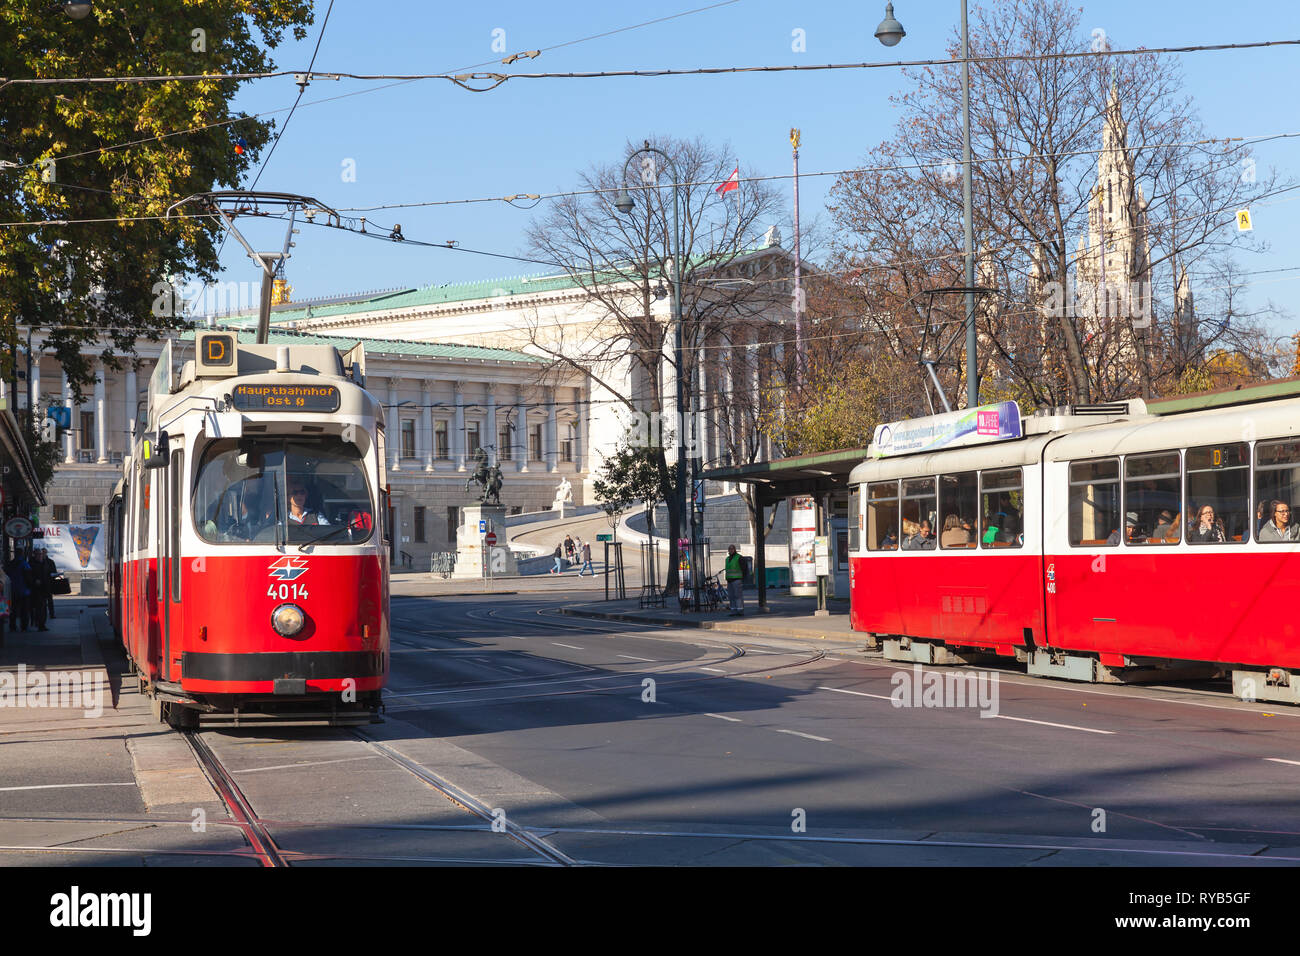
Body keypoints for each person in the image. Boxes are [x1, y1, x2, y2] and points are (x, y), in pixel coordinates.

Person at [28, 548, 48, 632]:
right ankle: (40, 624)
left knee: (44, 607)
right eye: (38, 554)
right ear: (34, 555)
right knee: (39, 608)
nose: (40, 556)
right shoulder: (31, 564)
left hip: (45, 589)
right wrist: (34, 581)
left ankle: (42, 624)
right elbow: (28, 576)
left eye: (41, 554)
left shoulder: (45, 563)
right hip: (36, 590)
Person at [725, 544, 744, 616]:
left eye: (732, 549)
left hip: (737, 580)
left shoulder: (739, 557)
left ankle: (740, 611)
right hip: (729, 580)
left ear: (735, 549)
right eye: (729, 549)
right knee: (731, 596)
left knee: (738, 596)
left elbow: (744, 568)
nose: (730, 550)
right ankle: (733, 611)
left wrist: (742, 577)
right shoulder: (727, 559)